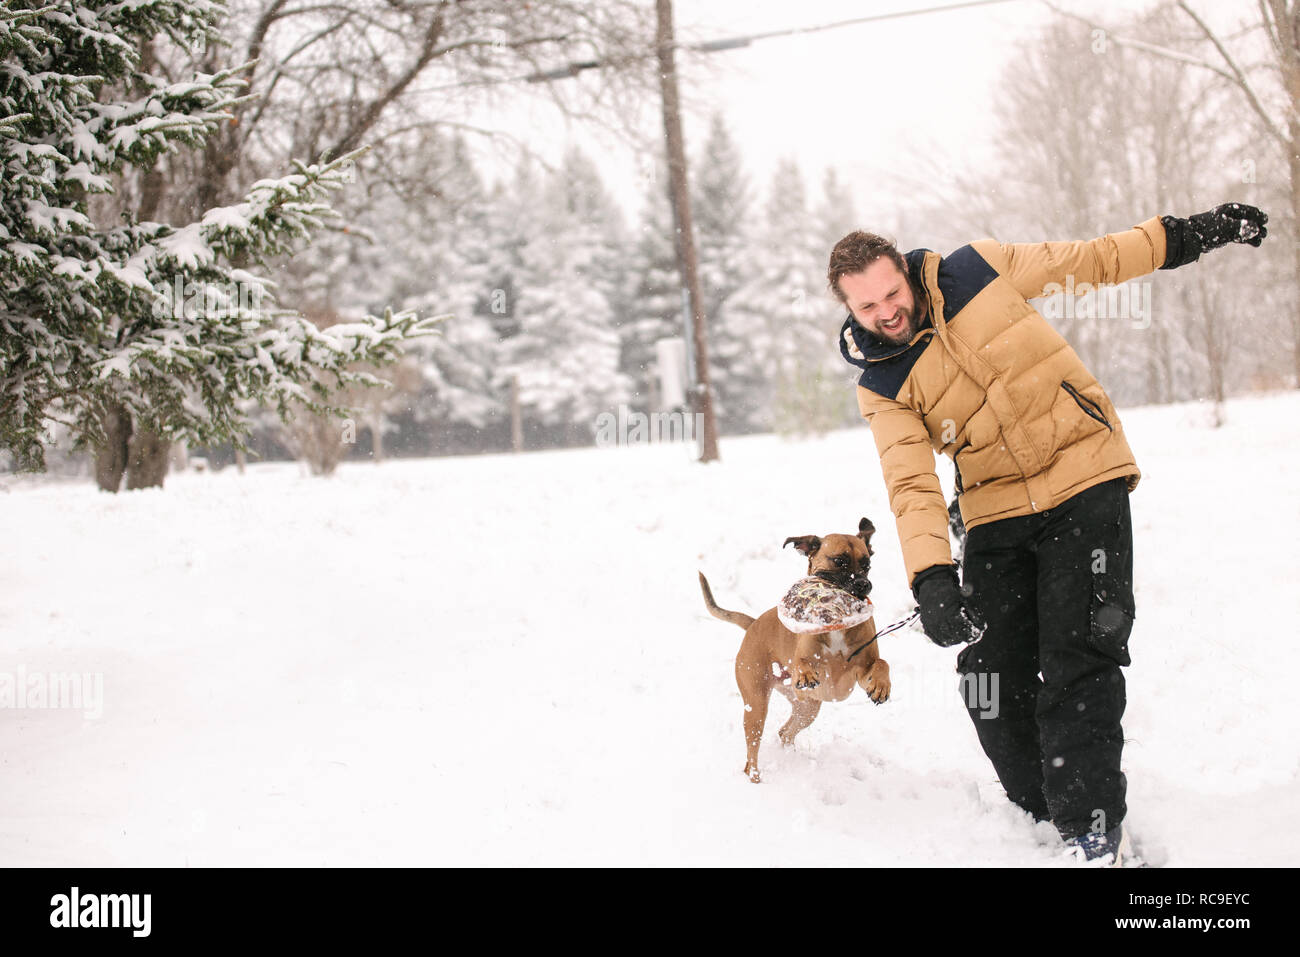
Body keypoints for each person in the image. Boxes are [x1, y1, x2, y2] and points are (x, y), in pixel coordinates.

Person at [826, 204, 1267, 864]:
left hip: (1086, 474)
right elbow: (911, 482)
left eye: (892, 293)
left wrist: (1190, 234)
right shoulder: (882, 383)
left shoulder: (977, 271)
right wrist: (934, 576)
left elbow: (1093, 260)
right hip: (996, 510)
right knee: (988, 676)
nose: (887, 312)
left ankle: (1091, 833)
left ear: (907, 272)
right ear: (849, 310)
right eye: (868, 307)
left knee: (1078, 655)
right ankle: (1044, 817)